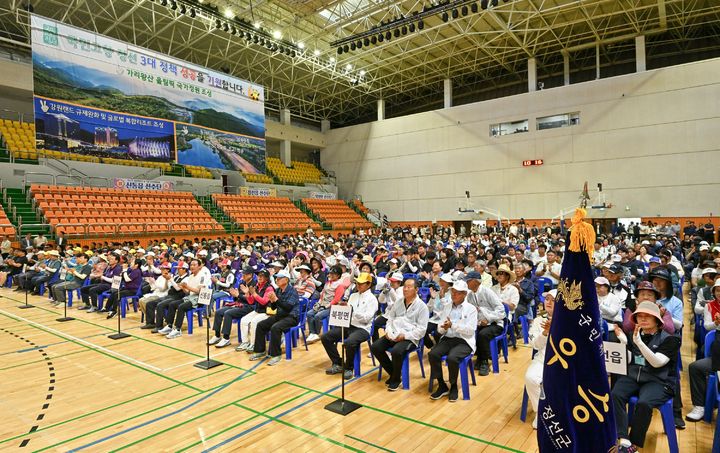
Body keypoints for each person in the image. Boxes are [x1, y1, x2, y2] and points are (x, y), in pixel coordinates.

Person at [611, 302, 681, 453]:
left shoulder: (671, 339)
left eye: (647, 316)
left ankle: (634, 444)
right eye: (639, 316)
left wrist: (639, 343)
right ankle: (623, 440)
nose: (642, 319)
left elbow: (657, 363)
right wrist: (623, 343)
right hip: (634, 376)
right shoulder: (633, 335)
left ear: (657, 320)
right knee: (615, 394)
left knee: (644, 403)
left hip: (659, 381)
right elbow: (630, 359)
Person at [370, 278, 429, 391]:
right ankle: (394, 373)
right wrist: (388, 331)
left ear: (416, 289)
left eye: (409, 287)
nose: (405, 289)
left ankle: (396, 379)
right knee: (375, 347)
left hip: (410, 337)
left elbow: (422, 330)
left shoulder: (422, 307)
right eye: (404, 286)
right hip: (394, 333)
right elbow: (390, 318)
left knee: (397, 351)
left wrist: (405, 336)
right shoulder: (398, 302)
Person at [320, 272, 378, 379]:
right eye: (357, 283)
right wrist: (343, 308)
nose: (358, 285)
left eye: (361, 283)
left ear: (369, 284)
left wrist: (352, 311)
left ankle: (349, 368)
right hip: (349, 325)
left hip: (363, 329)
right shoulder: (353, 296)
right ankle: (338, 363)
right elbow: (348, 312)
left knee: (349, 342)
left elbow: (366, 319)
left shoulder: (372, 299)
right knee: (325, 337)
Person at [428, 280, 477, 402]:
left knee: (452, 358)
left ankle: (453, 385)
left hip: (464, 341)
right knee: (433, 354)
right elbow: (440, 327)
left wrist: (453, 325)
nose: (453, 295)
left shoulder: (471, 309)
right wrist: (443, 328)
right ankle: (442, 385)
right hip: (448, 338)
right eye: (452, 292)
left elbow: (470, 330)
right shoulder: (447, 306)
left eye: (457, 293)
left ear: (465, 294)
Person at [685, 280, 720, 422]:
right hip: (718, 345)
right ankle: (700, 405)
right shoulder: (710, 306)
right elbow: (707, 326)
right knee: (695, 367)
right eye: (717, 290)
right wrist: (716, 323)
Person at [250, 270, 300, 366]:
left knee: (275, 327)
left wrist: (276, 300)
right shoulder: (277, 290)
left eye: (279, 278)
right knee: (261, 325)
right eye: (276, 278)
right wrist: (273, 301)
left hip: (291, 317)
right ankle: (260, 350)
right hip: (280, 315)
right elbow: (273, 308)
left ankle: (276, 355)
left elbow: (288, 307)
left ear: (286, 279)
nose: (277, 280)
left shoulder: (292, 291)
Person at [524, 289, 556, 428]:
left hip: (565, 362)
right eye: (547, 299)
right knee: (530, 377)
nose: (548, 302)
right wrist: (545, 332)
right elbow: (535, 345)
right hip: (543, 359)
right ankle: (541, 413)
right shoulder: (538, 321)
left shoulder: (569, 321)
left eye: (553, 300)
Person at [464, 271, 506, 376]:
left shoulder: (488, 292)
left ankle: (484, 361)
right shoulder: (470, 295)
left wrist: (488, 320)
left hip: (495, 323)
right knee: (470, 332)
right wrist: (478, 321)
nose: (466, 283)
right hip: (480, 323)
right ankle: (479, 356)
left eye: (468, 281)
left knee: (483, 335)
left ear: (475, 281)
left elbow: (501, 311)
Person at [208, 266, 257, 348]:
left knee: (228, 313)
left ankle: (226, 338)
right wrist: (234, 295)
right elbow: (238, 296)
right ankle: (217, 335)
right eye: (243, 273)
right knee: (219, 311)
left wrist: (238, 295)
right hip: (238, 304)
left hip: (249, 307)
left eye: (245, 274)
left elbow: (252, 300)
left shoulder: (254, 285)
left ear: (250, 275)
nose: (243, 275)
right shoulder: (242, 283)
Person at [159, 259, 208, 339]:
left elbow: (199, 291)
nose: (192, 266)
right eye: (191, 265)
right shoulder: (191, 276)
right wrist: (184, 288)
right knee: (172, 304)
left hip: (198, 299)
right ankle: (169, 325)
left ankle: (178, 329)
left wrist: (187, 287)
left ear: (199, 266)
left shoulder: (202, 276)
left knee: (181, 307)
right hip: (190, 297)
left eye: (194, 265)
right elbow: (188, 292)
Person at [236, 269, 275, 352]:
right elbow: (251, 302)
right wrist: (247, 294)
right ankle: (245, 342)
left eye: (262, 276)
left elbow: (264, 302)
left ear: (267, 278)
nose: (259, 277)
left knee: (254, 322)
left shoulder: (269, 288)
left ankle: (254, 344)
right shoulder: (257, 286)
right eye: (258, 275)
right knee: (244, 320)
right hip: (257, 310)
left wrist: (254, 294)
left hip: (267, 312)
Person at [371, 271, 404, 341]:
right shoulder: (389, 289)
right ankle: (375, 345)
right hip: (388, 314)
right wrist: (383, 292)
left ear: (399, 283)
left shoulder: (402, 290)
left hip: (398, 316)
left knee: (392, 331)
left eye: (394, 282)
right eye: (391, 281)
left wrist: (391, 290)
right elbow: (381, 300)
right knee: (374, 325)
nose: (391, 283)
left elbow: (397, 302)